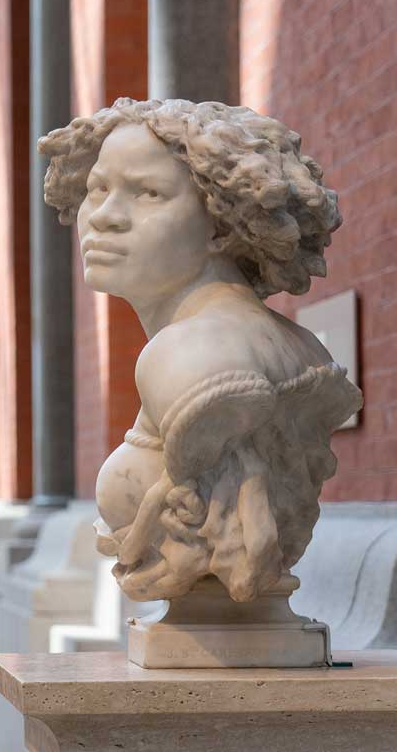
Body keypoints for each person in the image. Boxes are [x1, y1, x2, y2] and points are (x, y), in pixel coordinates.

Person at [39, 97, 360, 602]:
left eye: (147, 193)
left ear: (220, 223)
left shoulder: (190, 354)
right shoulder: (270, 339)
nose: (103, 217)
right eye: (97, 189)